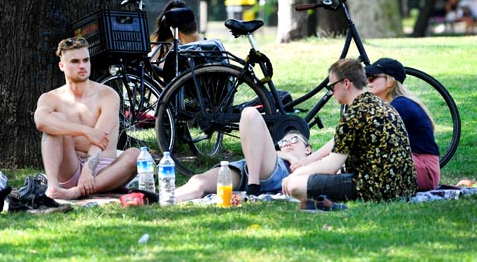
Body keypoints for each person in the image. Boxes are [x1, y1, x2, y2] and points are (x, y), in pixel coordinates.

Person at [282, 58, 416, 203]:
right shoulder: (383, 105)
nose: (332, 93)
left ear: (346, 83)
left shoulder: (353, 114)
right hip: (404, 188)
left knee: (295, 185)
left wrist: (294, 175)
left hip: (375, 189)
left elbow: (331, 167)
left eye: (332, 87)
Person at [34, 37, 140, 200]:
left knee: (136, 155)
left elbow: (100, 139)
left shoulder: (107, 95)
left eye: (86, 60)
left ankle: (76, 192)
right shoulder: (51, 98)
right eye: (75, 61)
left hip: (104, 172)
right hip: (70, 169)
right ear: (62, 66)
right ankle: (53, 188)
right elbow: (41, 121)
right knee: (54, 120)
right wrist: (85, 131)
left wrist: (87, 172)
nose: (82, 66)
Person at [175, 107, 311, 202]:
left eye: (294, 139)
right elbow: (273, 152)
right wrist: (289, 156)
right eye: (283, 141)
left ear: (308, 149)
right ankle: (163, 198)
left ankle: (253, 188)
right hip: (248, 167)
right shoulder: (280, 155)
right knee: (200, 182)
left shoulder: (314, 161)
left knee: (250, 113)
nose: (287, 143)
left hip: (275, 173)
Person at [365, 58, 441, 192]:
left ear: (390, 81)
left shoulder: (401, 105)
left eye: (372, 77)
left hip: (424, 170)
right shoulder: (396, 103)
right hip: (417, 165)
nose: (367, 81)